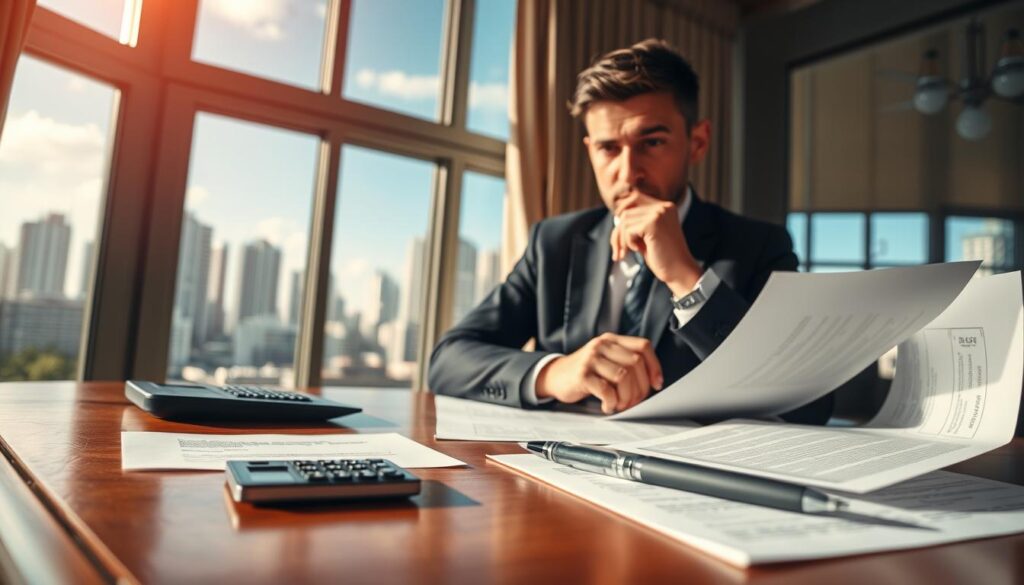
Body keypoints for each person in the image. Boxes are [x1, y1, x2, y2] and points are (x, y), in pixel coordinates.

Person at [428, 38, 831, 422]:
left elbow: (811, 404)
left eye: (652, 142)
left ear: (698, 142)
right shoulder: (554, 243)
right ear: (590, 151)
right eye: (608, 149)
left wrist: (687, 280)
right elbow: (448, 359)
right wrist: (557, 372)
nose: (628, 172)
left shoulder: (758, 246)